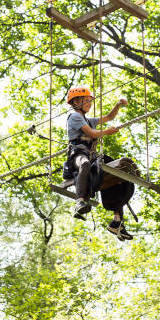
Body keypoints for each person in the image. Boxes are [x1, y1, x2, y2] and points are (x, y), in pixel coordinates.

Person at [65, 86, 133, 240]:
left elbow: (109, 117)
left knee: (119, 177)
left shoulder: (89, 119)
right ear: (76, 102)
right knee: (85, 164)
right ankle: (80, 201)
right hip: (78, 155)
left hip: (91, 156)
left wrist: (118, 104)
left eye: (90, 100)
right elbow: (91, 133)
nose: (90, 103)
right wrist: (106, 132)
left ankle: (117, 222)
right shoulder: (74, 116)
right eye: (86, 100)